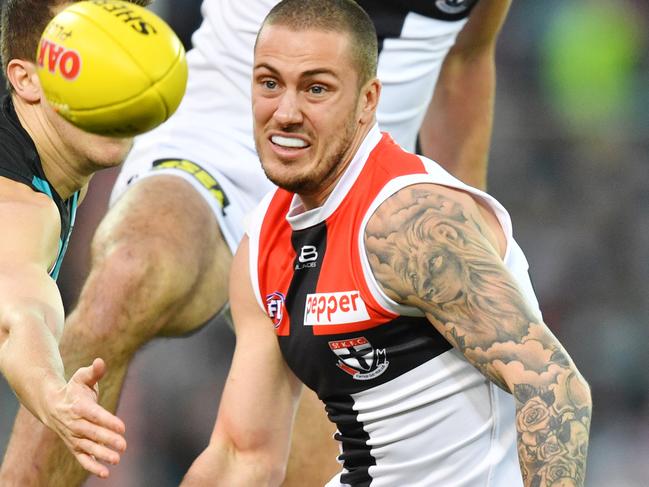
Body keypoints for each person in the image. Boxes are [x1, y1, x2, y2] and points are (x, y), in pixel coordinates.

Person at [0, 0, 512, 485]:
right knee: (127, 274)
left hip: (356, 187)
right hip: (217, 137)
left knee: (313, 469)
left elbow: (466, 59)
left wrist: (468, 229)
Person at [180, 0, 592, 486]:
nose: (286, 112)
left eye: (316, 89)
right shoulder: (263, 244)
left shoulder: (409, 222)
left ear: (368, 101)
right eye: (270, 83)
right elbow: (240, 456)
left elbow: (554, 390)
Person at [0, 0, 156, 480]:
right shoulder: (23, 203)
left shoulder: (53, 142)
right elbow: (20, 310)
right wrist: (51, 392)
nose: (115, 88)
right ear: (25, 80)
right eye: (85, 64)